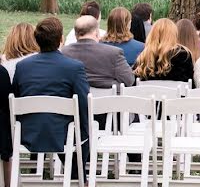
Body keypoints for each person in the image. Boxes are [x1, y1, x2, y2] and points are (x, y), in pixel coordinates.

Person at [13, 17, 89, 169]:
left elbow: (15, 97)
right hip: (63, 136)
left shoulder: (22, 67)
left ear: (37, 40)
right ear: (61, 39)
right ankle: (77, 175)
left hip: (27, 135)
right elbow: (83, 103)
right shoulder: (74, 67)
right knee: (85, 130)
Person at [62, 15, 135, 89]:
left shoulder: (65, 52)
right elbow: (129, 80)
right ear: (97, 33)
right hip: (109, 98)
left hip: (77, 98)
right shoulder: (114, 53)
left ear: (75, 34)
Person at [133, 18, 194, 83]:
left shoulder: (143, 57)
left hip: (148, 92)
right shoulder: (183, 55)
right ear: (174, 34)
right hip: (176, 92)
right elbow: (189, 84)